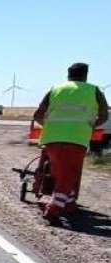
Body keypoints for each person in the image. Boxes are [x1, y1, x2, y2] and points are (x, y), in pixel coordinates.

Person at [33, 62, 108, 222]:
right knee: (69, 175)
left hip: (51, 139)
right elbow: (104, 115)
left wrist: (49, 126)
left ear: (68, 75)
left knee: (60, 173)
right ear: (85, 75)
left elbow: (38, 114)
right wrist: (90, 125)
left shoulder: (55, 89)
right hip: (76, 139)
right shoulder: (93, 90)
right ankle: (53, 209)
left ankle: (69, 203)